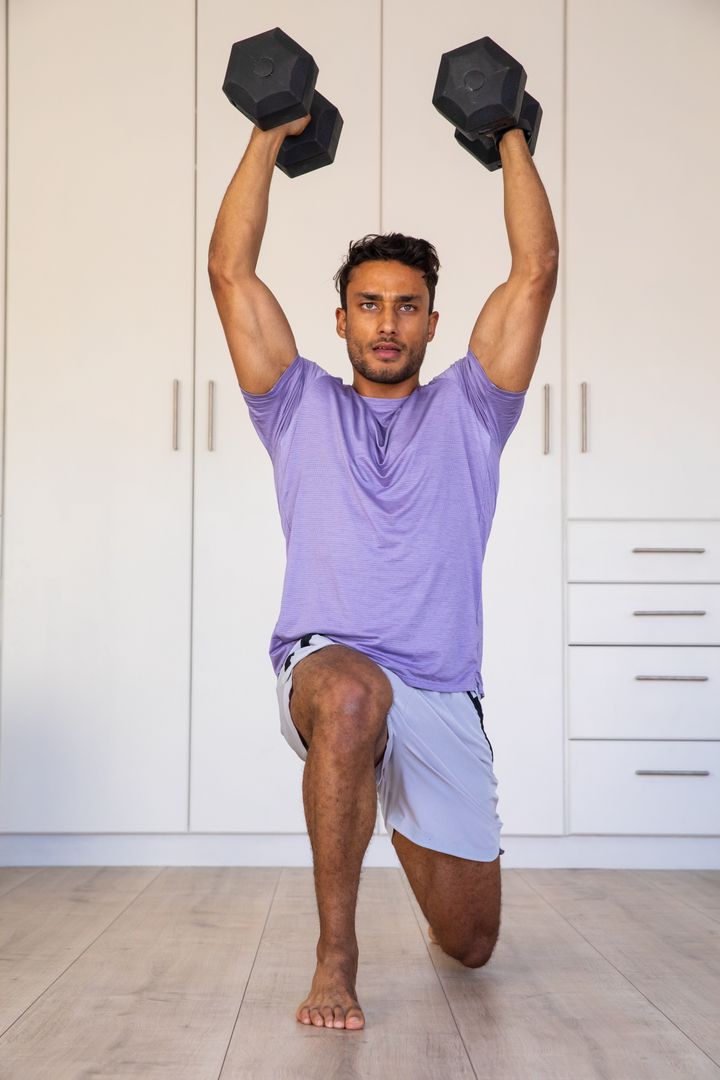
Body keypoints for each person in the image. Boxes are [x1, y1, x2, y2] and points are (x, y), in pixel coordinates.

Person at [208, 112, 558, 1031]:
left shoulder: (475, 408)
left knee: (473, 945)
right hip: (329, 668)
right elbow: (230, 275)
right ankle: (336, 957)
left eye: (407, 305)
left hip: (442, 688)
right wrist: (266, 141)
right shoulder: (295, 405)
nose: (388, 322)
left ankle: (383, 790)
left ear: (433, 319)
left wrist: (511, 136)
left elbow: (534, 275)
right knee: (356, 697)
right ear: (342, 318)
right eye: (370, 303)